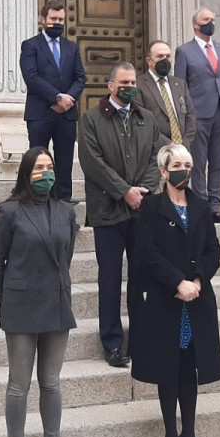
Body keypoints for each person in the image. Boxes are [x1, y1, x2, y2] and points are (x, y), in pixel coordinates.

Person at [0, 147, 78, 437]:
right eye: (38, 167)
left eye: (49, 166)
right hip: (21, 305)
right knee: (19, 385)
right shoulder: (9, 211)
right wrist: (7, 297)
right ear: (26, 173)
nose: (45, 172)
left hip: (55, 304)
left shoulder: (66, 212)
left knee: (51, 382)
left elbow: (66, 256)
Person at [131, 143, 220, 437]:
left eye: (188, 163)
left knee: (189, 368)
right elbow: (147, 253)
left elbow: (213, 250)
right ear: (164, 171)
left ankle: (190, 434)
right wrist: (177, 282)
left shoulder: (200, 207)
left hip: (196, 301)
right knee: (167, 370)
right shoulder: (150, 208)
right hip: (165, 300)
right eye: (178, 164)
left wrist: (197, 281)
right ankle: (171, 433)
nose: (184, 169)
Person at [77, 62, 163, 368]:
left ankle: (140, 339)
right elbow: (92, 162)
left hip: (141, 211)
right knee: (110, 279)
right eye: (123, 82)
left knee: (141, 277)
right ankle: (112, 342)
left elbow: (158, 156)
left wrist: (145, 190)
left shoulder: (147, 117)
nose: (129, 87)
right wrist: (124, 191)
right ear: (110, 86)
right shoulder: (91, 119)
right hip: (107, 212)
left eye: (132, 82)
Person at [174, 8, 220, 225]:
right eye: (206, 19)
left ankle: (214, 206)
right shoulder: (184, 51)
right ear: (195, 24)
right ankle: (200, 206)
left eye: (213, 19)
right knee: (199, 162)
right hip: (198, 114)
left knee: (218, 162)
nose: (210, 23)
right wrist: (184, 117)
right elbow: (180, 87)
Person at [19, 0, 86, 202]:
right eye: (53, 19)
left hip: (66, 115)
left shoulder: (71, 47)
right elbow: (31, 76)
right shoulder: (30, 45)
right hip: (40, 113)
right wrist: (56, 97)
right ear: (43, 19)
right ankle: (36, 201)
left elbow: (80, 77)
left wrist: (68, 99)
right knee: (38, 160)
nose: (57, 23)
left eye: (61, 20)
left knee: (64, 163)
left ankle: (63, 204)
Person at [135, 40, 197, 146]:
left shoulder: (180, 84)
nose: (165, 60)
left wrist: (184, 144)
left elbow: (190, 115)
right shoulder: (138, 85)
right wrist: (169, 144)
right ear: (149, 61)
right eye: (160, 56)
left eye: (168, 56)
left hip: (182, 151)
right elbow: (141, 121)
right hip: (155, 149)